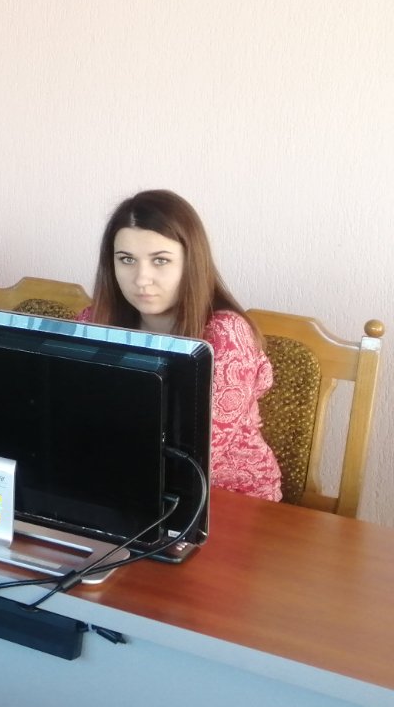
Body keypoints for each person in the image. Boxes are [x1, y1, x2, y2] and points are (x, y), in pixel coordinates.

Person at [87, 189, 282, 501]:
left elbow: (197, 455)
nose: (141, 279)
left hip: (228, 497)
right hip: (121, 488)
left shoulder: (227, 335)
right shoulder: (95, 322)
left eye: (160, 261)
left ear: (191, 262)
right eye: (127, 259)